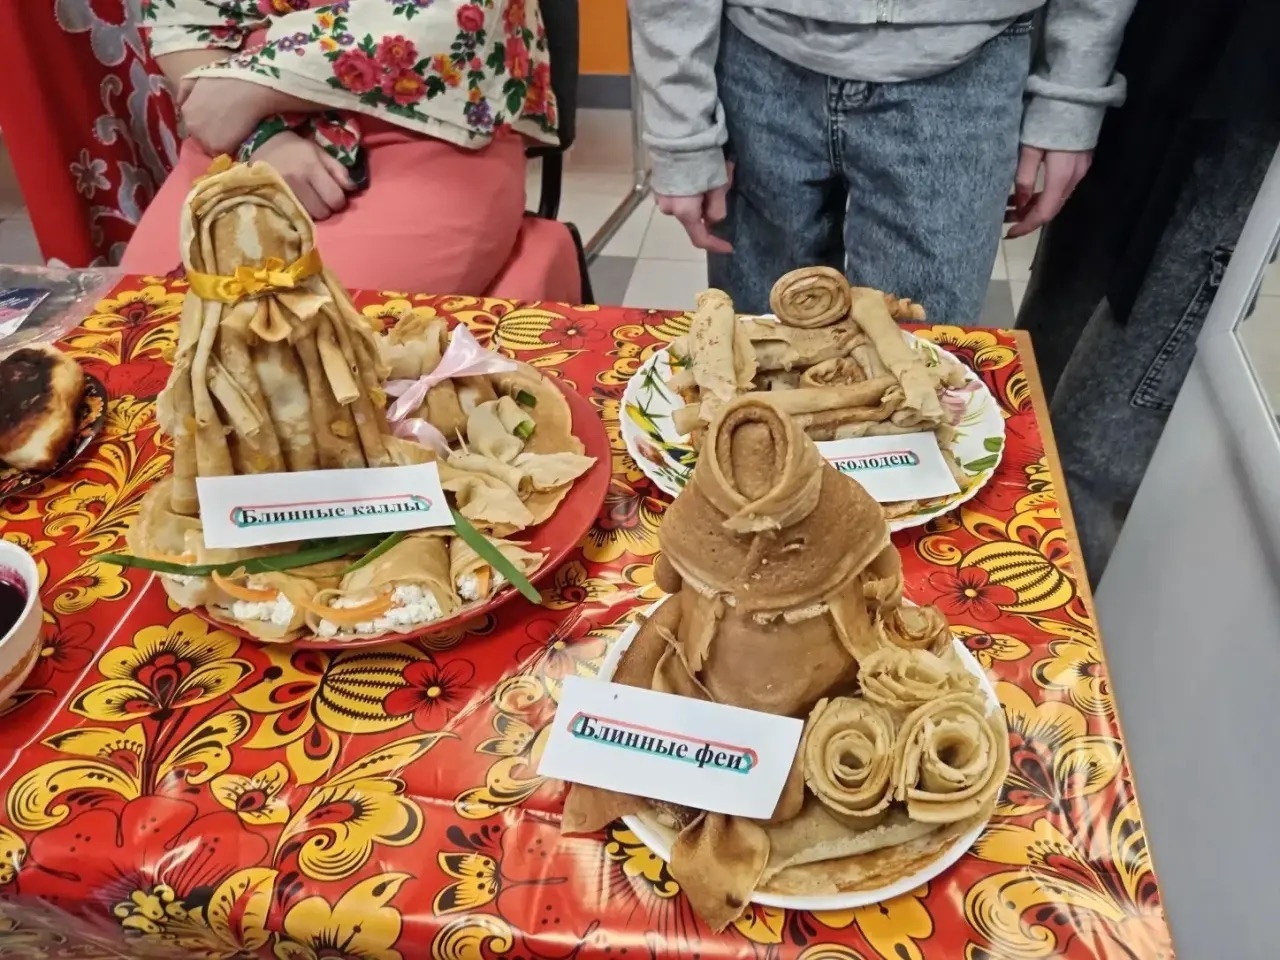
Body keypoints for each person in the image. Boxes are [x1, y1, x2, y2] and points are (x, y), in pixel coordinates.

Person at [630, 0, 1135, 324]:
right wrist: (680, 125)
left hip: (969, 56)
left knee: (919, 374)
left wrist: (1073, 93)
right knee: (757, 359)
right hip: (758, 50)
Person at [123, 0, 558, 293]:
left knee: (320, 347)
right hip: (239, 129)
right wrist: (260, 138)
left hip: (427, 122)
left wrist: (254, 89)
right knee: (139, 326)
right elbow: (182, 22)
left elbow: (457, 19)